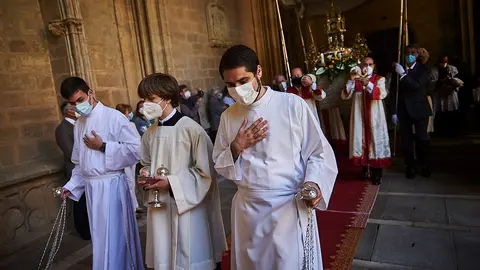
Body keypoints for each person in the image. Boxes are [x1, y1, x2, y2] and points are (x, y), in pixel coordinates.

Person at [213, 45, 338, 270]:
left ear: (259, 72)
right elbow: (220, 164)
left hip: (289, 205)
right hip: (248, 209)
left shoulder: (292, 105)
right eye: (230, 85)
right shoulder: (228, 116)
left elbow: (319, 153)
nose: (237, 90)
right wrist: (235, 147)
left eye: (243, 81)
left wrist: (314, 184)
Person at [137, 73, 227, 270]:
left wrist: (171, 183)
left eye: (150, 99)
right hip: (160, 205)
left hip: (187, 206)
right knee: (165, 255)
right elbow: (146, 162)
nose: (145, 104)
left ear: (167, 97)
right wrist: (145, 174)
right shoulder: (150, 133)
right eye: (143, 99)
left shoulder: (191, 130)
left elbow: (206, 173)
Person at [59, 76, 144, 270]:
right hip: (92, 189)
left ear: (90, 92)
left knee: (115, 237)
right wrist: (70, 186)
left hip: (112, 185)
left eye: (80, 100)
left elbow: (136, 150)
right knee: (100, 237)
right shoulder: (79, 124)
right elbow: (81, 164)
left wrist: (104, 146)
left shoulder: (113, 117)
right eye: (72, 103)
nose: (77, 106)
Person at [342, 57, 391, 185]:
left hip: (375, 116)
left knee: (375, 141)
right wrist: (351, 80)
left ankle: (377, 174)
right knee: (361, 141)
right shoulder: (355, 79)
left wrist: (368, 84)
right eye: (365, 64)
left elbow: (381, 94)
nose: (367, 66)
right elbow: (345, 95)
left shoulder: (379, 79)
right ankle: (364, 170)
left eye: (370, 64)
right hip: (359, 116)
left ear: (374, 66)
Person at [390, 44, 432, 179]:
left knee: (422, 138)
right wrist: (393, 111)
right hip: (403, 110)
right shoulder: (397, 70)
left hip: (419, 109)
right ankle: (410, 166)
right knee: (407, 141)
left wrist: (403, 74)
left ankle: (424, 164)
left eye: (412, 53)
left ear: (417, 55)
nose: (409, 55)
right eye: (407, 53)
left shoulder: (423, 69)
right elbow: (393, 92)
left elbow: (416, 86)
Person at [55, 102, 91, 240]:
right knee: (79, 202)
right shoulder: (62, 128)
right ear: (68, 111)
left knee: (86, 202)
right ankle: (83, 230)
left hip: (85, 168)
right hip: (75, 169)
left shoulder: (78, 124)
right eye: (74, 107)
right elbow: (70, 151)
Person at [116, 103, 142, 211]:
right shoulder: (117, 125)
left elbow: (137, 138)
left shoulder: (131, 124)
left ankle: (135, 205)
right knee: (128, 181)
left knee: (132, 181)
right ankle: (131, 206)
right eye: (127, 112)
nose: (129, 114)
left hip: (133, 155)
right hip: (123, 155)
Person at [429, 55, 464, 137]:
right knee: (440, 113)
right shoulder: (433, 70)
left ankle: (452, 132)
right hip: (439, 94)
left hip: (450, 94)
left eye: (445, 62)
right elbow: (431, 82)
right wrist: (440, 82)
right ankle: (440, 132)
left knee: (451, 113)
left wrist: (453, 84)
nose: (444, 64)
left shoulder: (452, 69)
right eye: (442, 62)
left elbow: (458, 80)